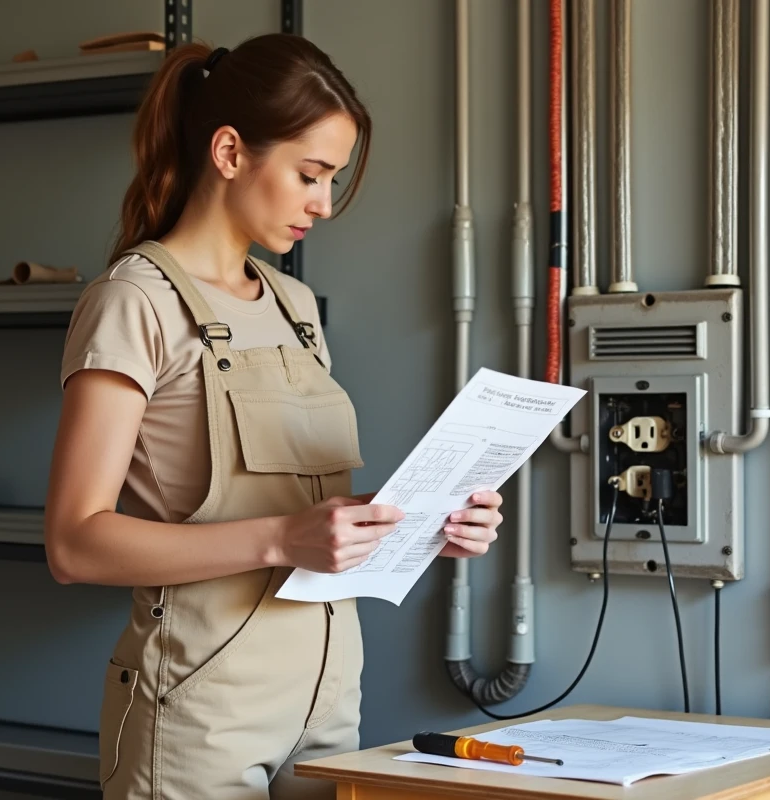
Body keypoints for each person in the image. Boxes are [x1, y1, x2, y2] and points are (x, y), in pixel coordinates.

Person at [43, 33, 504, 800]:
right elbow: (74, 543)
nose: (323, 204)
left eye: (331, 179)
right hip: (198, 707)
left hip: (326, 695)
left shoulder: (294, 308)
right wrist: (282, 539)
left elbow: (300, 512)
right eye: (310, 175)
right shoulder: (134, 301)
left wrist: (421, 524)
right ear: (229, 152)